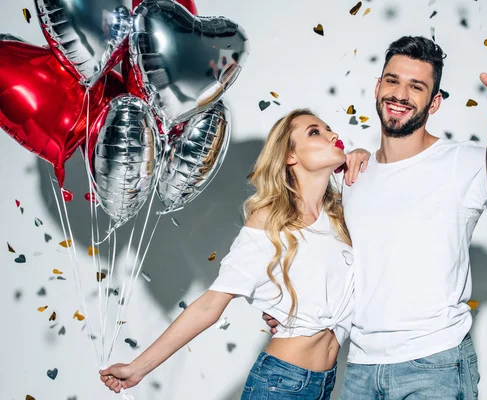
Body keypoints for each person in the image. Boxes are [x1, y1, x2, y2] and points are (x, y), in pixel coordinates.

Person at [264, 36, 487, 399]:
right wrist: (291, 308)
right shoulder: (351, 173)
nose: (400, 94)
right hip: (360, 369)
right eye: (393, 81)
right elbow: (332, 259)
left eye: (417, 86)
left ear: (434, 102)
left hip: (434, 368)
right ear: (378, 87)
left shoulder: (465, 162)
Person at [98, 109, 370, 399]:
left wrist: (368, 162)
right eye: (315, 132)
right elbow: (210, 304)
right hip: (281, 384)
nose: (333, 135)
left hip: (327, 383)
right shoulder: (269, 221)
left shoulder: (341, 217)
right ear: (291, 156)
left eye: (329, 128)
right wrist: (138, 368)